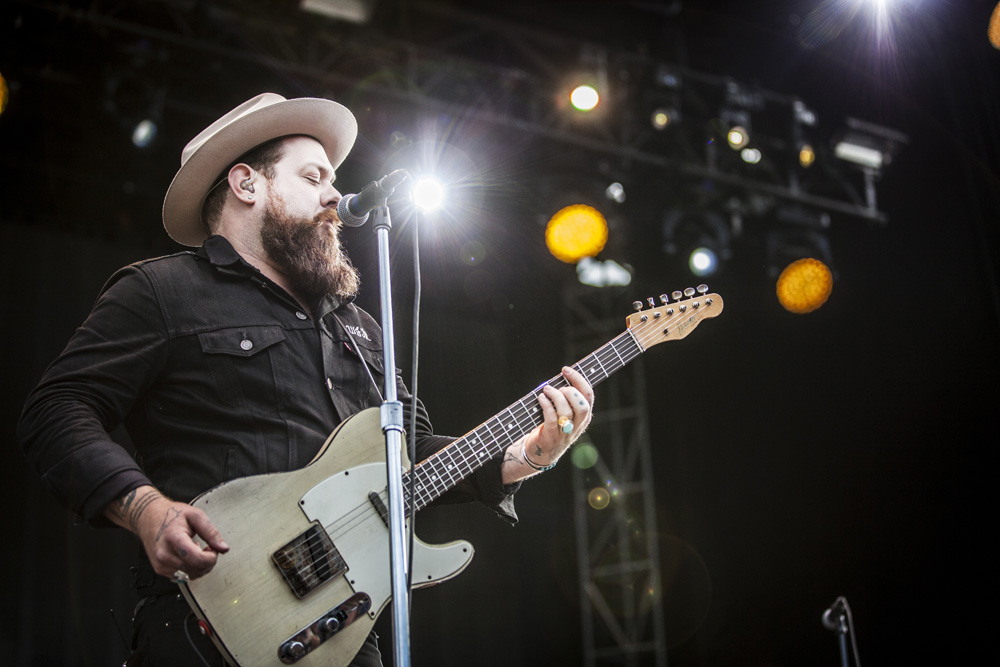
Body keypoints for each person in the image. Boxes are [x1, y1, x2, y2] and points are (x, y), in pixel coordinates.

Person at [17, 93, 594, 666]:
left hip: (342, 630)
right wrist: (146, 509)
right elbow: (56, 410)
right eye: (314, 176)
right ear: (247, 184)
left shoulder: (361, 328)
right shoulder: (162, 292)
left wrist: (526, 455)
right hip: (205, 625)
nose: (335, 196)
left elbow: (411, 458)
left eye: (334, 178)